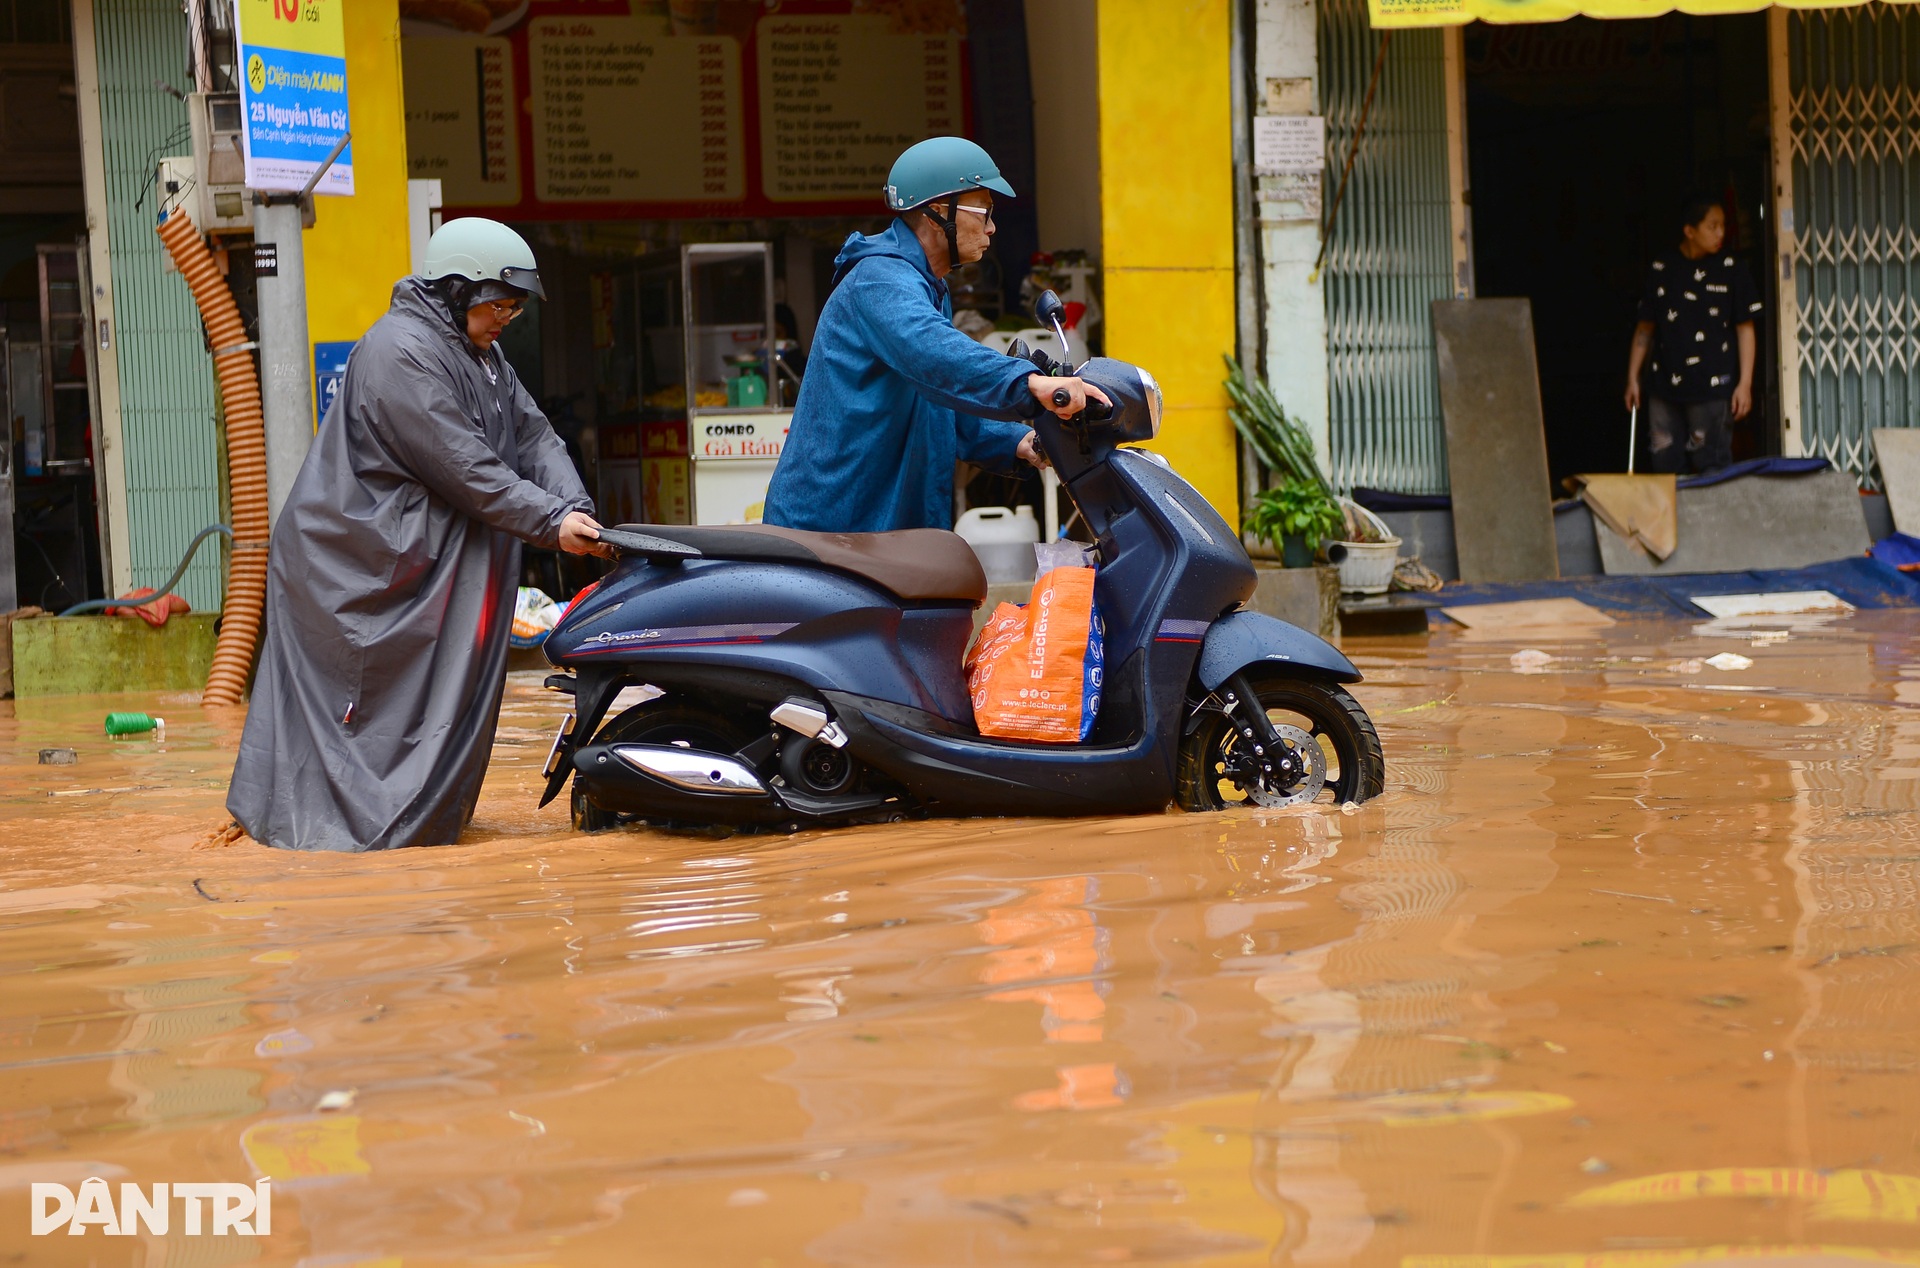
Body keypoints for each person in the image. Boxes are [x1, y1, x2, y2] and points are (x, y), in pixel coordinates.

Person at [227, 218, 610, 852]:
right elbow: (466, 466)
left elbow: (534, 436)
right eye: (498, 305)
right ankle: (335, 841)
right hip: (357, 566)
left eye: (514, 308)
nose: (506, 319)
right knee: (365, 716)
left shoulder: (484, 357)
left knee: (436, 705)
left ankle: (414, 829)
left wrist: (576, 507)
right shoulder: (398, 353)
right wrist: (552, 523)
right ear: (457, 290)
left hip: (420, 559)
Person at [762, 137, 1108, 533]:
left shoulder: (926, 286)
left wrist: (1017, 442)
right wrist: (1030, 383)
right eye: (984, 211)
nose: (992, 227)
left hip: (879, 527)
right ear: (936, 214)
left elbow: (938, 403)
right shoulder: (880, 281)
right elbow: (936, 354)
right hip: (832, 525)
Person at [1624, 194, 1763, 474]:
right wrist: (1632, 378)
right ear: (1689, 231)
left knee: (1710, 466)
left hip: (1711, 389)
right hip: (1664, 389)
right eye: (1712, 226)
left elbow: (1745, 328)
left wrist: (1745, 383)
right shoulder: (1662, 268)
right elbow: (1645, 328)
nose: (1721, 233)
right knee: (1664, 466)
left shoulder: (1731, 268)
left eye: (1722, 225)